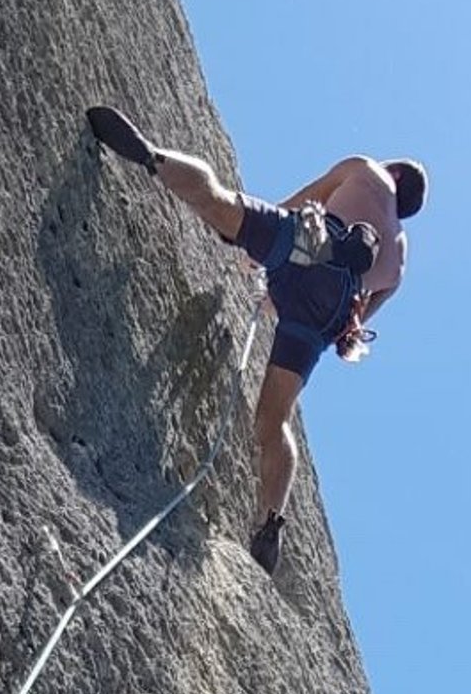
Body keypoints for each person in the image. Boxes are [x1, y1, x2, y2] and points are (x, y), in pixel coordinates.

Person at [85, 105, 426, 575]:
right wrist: (287, 303)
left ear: (393, 172)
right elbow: (355, 328)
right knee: (273, 419)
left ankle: (152, 157)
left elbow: (306, 199)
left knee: (220, 202)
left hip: (313, 241)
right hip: (330, 306)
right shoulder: (400, 263)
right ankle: (270, 519)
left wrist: (257, 242)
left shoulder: (367, 171)